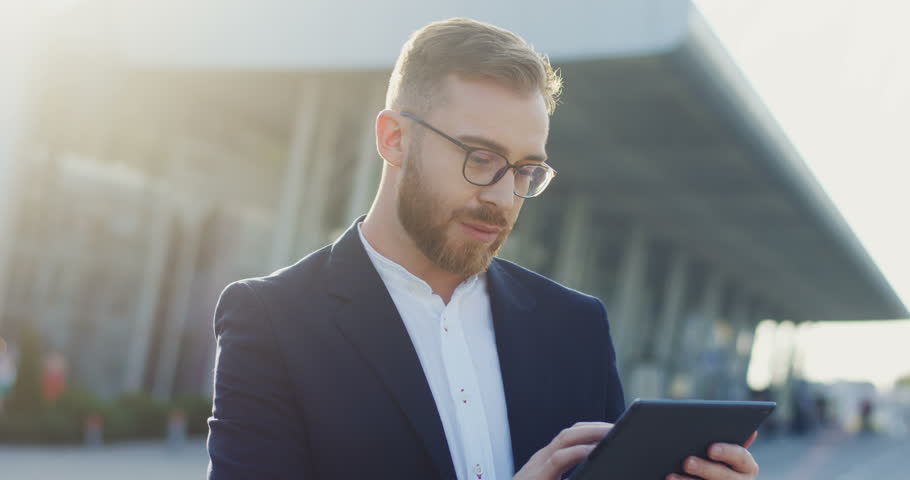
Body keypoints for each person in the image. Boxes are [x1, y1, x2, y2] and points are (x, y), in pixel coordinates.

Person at [206, 17, 760, 480]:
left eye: (526, 170)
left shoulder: (575, 327)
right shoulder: (273, 322)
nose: (501, 196)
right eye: (480, 157)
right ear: (394, 139)